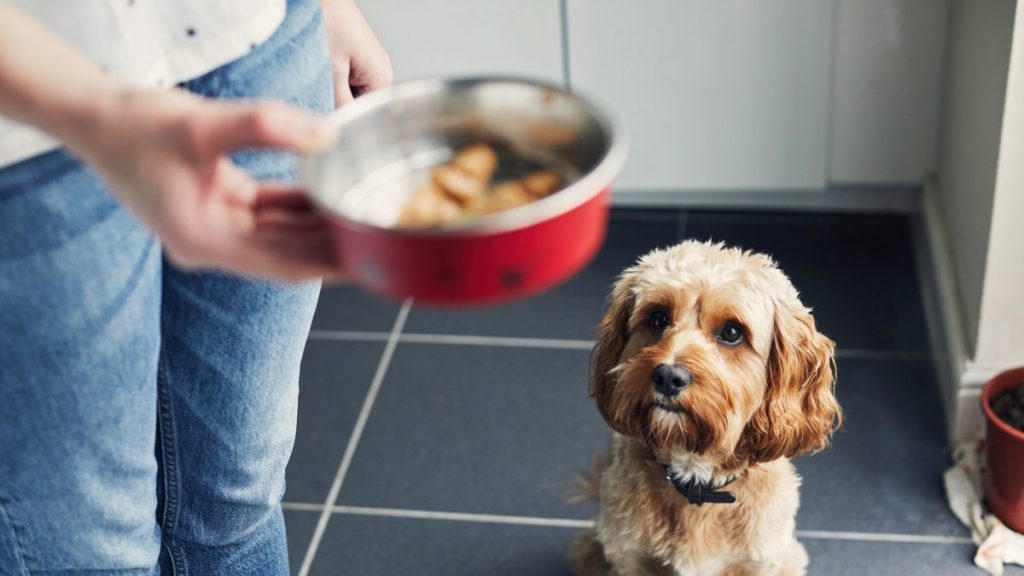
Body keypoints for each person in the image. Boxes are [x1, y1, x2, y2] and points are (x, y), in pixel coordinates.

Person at [0, 0, 391, 573]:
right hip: (26, 132)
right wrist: (99, 111)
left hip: (254, 38)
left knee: (239, 498)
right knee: (92, 555)